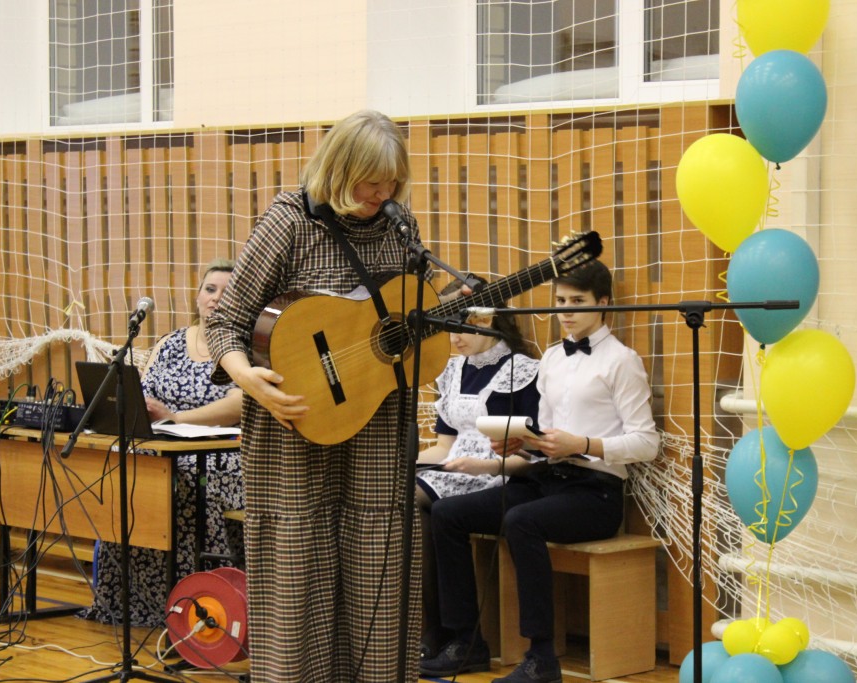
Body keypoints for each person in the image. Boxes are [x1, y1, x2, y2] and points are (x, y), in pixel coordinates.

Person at [205, 110, 424, 682]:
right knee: (298, 570)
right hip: (294, 426)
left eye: (392, 182)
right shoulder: (289, 223)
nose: (383, 194)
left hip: (377, 422)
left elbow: (408, 318)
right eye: (371, 182)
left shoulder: (400, 226)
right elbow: (225, 323)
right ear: (339, 169)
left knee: (379, 563)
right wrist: (249, 379)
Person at [420, 259, 660, 683]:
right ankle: (465, 642)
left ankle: (542, 656)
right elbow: (544, 434)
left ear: (604, 303)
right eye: (560, 301)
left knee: (521, 520)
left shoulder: (622, 361)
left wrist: (582, 445)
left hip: (596, 491)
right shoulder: (551, 358)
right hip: (547, 479)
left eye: (578, 302)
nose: (566, 311)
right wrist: (521, 442)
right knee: (447, 513)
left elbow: (646, 443)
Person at [80, 258, 245, 627]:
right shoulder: (171, 342)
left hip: (220, 457)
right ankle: (129, 603)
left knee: (180, 483)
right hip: (164, 445)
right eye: (210, 289)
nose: (216, 298)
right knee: (127, 475)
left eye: (227, 292)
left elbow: (240, 403)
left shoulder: (243, 347)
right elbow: (143, 390)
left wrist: (176, 417)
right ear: (197, 296)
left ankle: (192, 607)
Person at [416, 279, 540, 660]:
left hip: (498, 474)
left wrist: (479, 465)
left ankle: (441, 632)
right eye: (448, 327)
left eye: (461, 326)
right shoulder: (453, 370)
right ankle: (432, 629)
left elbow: (531, 456)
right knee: (401, 495)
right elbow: (444, 446)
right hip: (455, 469)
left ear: (487, 320)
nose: (454, 338)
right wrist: (400, 464)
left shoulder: (522, 371)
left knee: (412, 501)